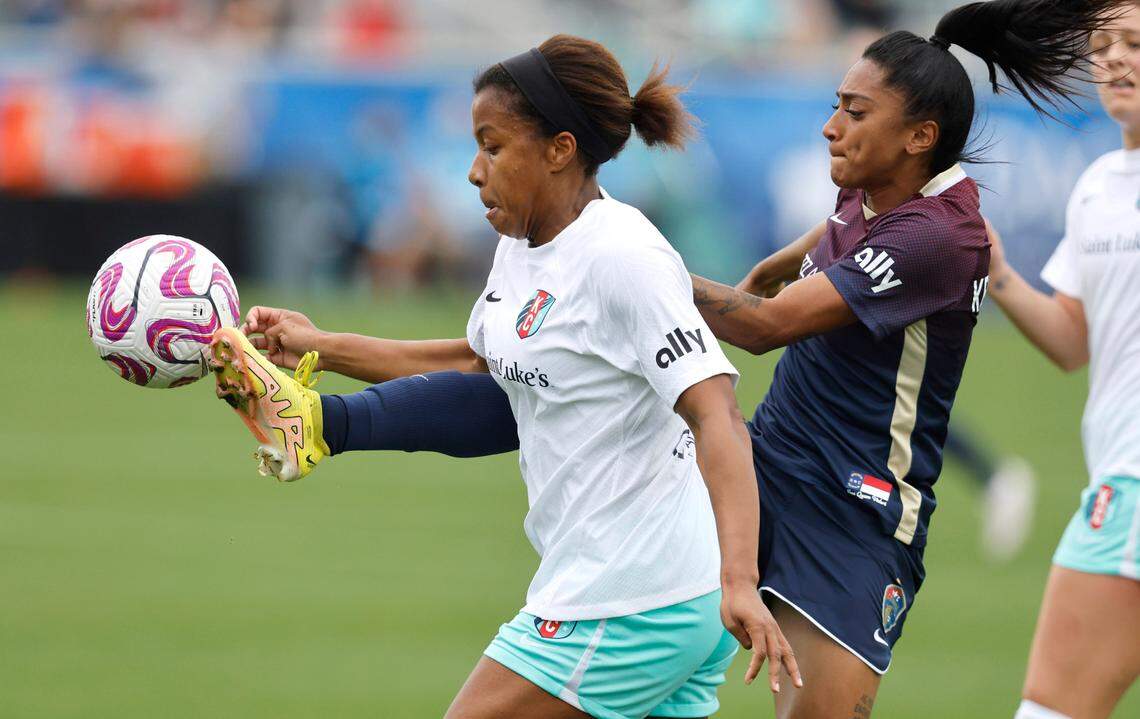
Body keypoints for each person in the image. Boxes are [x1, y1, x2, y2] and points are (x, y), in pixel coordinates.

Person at [219, 2, 1118, 716]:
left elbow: (759, 330)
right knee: (553, 387)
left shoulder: (933, 235)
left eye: (853, 111)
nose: (828, 127)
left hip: (856, 511)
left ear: (919, 136)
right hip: (763, 477)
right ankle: (320, 432)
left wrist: (628, 273)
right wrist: (327, 356)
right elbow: (505, 368)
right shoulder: (868, 195)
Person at [209, 34, 800, 719]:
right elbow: (478, 364)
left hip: (633, 597)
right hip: (656, 596)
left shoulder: (623, 255)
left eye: (493, 147)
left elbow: (717, 413)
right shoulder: (522, 246)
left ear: (559, 149)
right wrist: (318, 347)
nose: (472, 171)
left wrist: (740, 579)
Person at [985, 4, 1140, 717]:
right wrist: (999, 271)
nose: (1112, 58)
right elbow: (1075, 341)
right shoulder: (1100, 185)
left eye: (1134, 43)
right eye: (1102, 44)